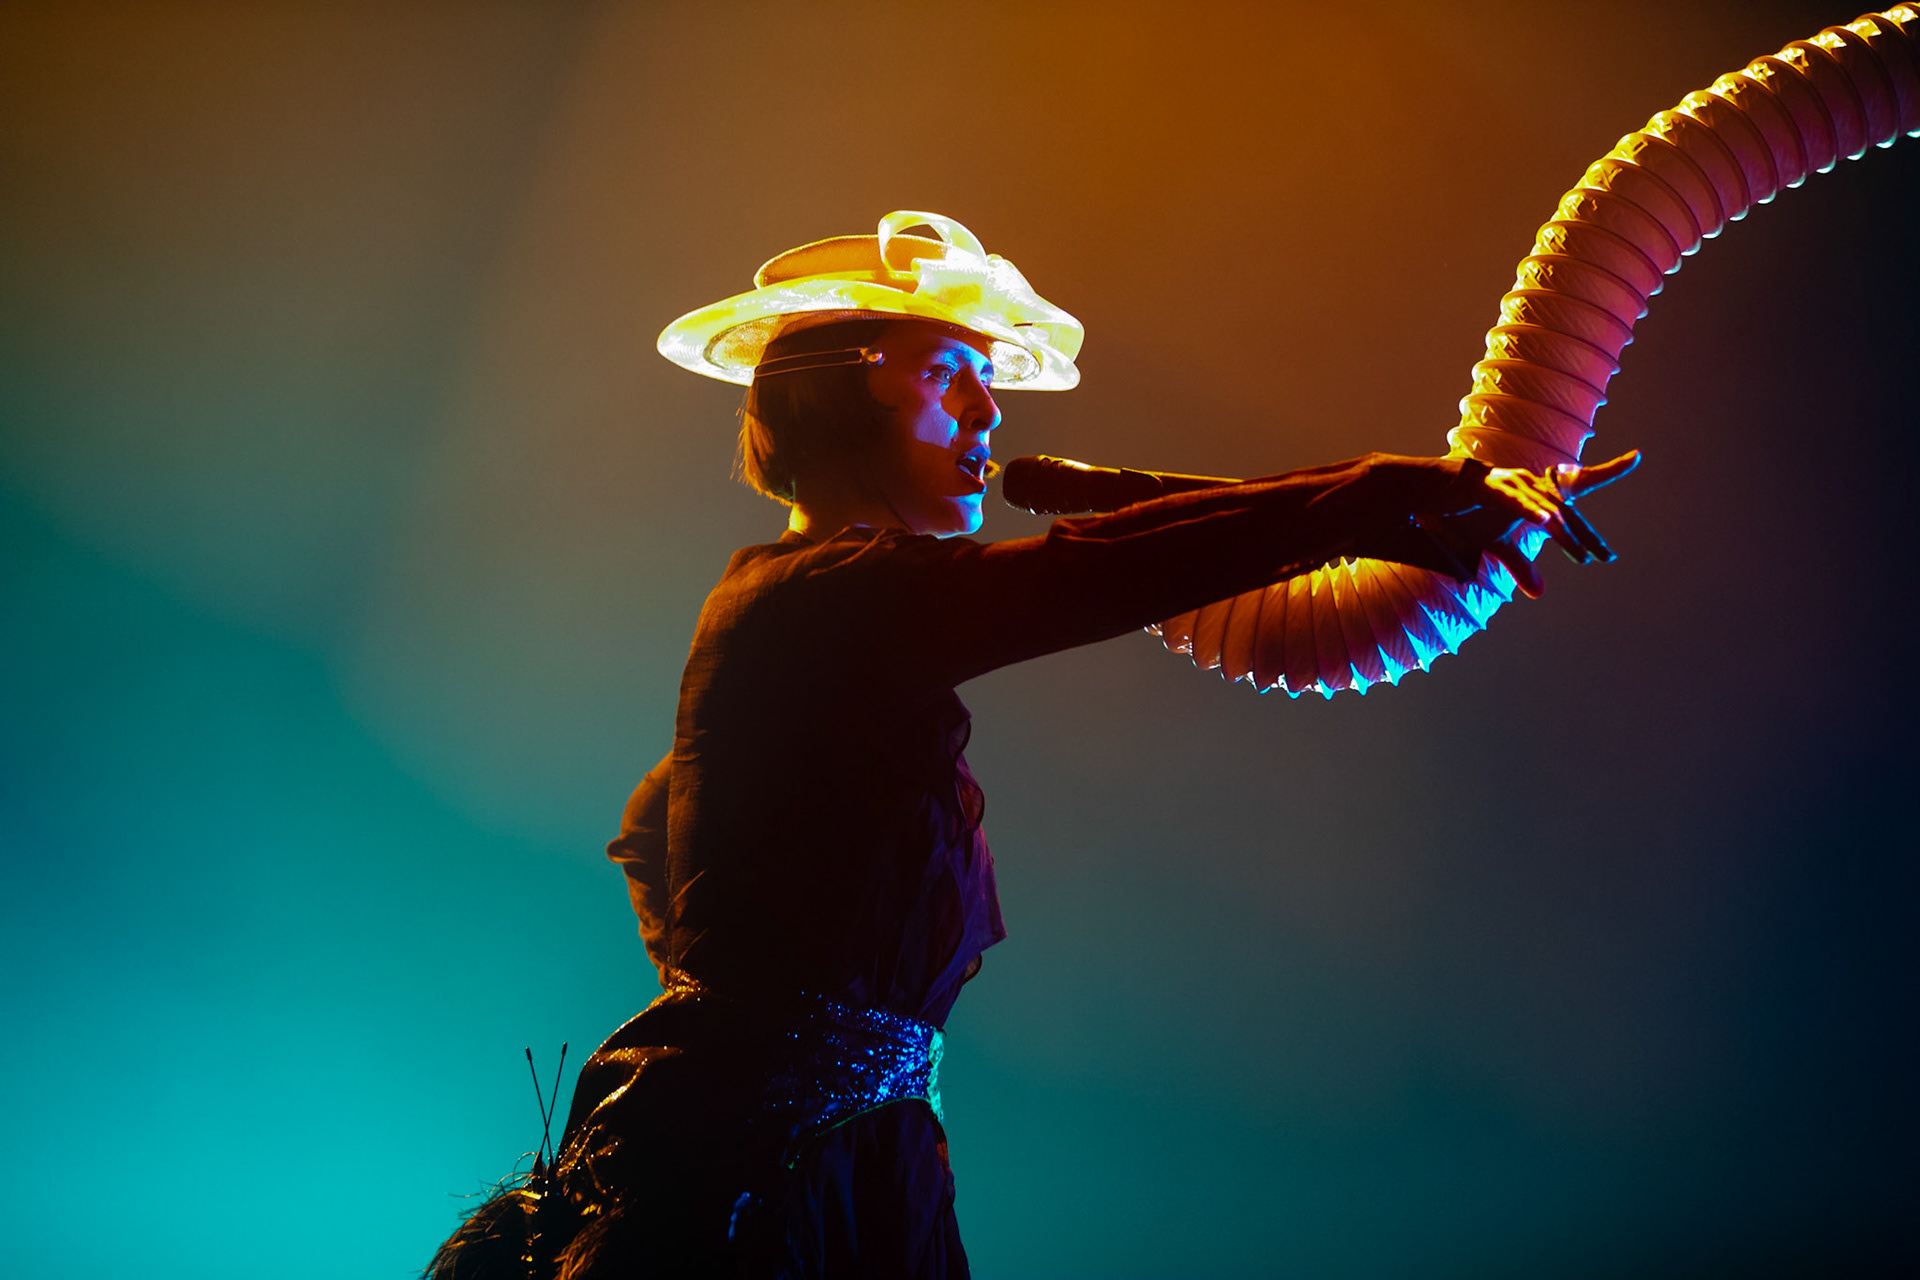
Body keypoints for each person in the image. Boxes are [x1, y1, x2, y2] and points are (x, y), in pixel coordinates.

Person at [425, 211, 1635, 1279]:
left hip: (834, 1151)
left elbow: (654, 818)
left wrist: (745, 992)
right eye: (952, 373)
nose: (989, 411)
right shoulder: (827, 594)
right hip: (766, 1170)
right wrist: (1388, 496)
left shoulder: (817, 608)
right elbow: (1090, 576)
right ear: (844, 389)